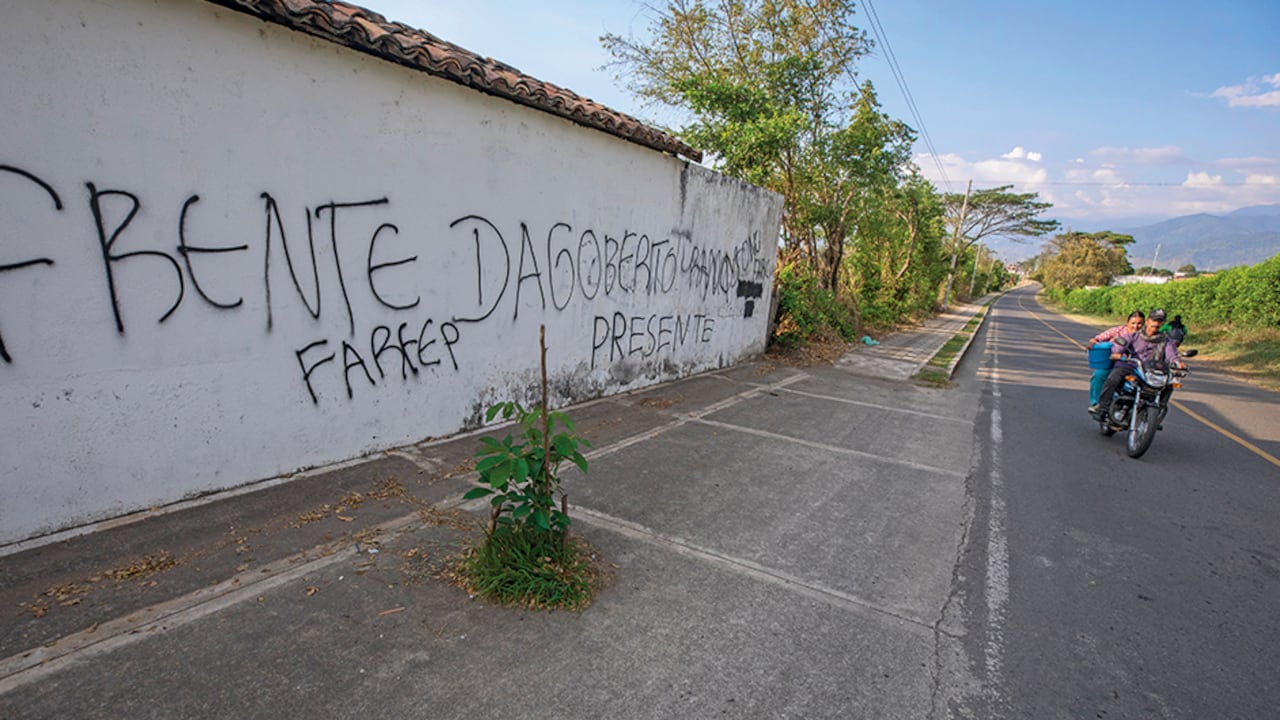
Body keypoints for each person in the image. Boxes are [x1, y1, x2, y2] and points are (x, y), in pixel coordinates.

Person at [1092, 308, 1186, 422]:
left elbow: (1172, 355)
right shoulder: (1133, 336)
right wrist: (1117, 354)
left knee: (1169, 385)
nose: (1156, 324)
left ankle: (1156, 414)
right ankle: (1103, 408)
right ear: (1148, 321)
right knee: (1113, 377)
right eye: (1154, 320)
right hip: (1131, 366)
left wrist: (1179, 363)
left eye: (1160, 321)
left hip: (1151, 370)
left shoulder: (1166, 341)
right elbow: (1118, 347)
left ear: (1162, 324)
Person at [1086, 310, 1145, 413]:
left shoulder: (1145, 336)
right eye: (1133, 323)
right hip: (1115, 363)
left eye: (1139, 323)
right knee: (1099, 375)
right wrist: (1093, 342)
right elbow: (1098, 338)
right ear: (1127, 323)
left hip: (1135, 366)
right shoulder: (1117, 331)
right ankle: (1097, 404)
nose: (1136, 326)